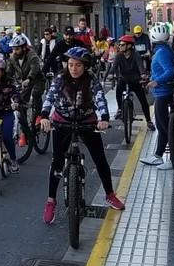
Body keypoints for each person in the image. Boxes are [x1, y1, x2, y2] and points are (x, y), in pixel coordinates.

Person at [38, 48, 125, 225]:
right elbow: (50, 96)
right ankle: (51, 201)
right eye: (70, 65)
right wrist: (45, 116)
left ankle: (109, 194)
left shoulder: (91, 79)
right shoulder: (61, 78)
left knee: (100, 159)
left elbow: (100, 98)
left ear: (85, 66)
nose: (74, 68)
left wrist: (104, 118)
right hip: (62, 121)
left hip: (87, 121)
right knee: (57, 161)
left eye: (78, 65)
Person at [140, 25, 174, 169]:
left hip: (163, 93)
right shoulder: (167, 50)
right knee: (161, 125)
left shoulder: (160, 53)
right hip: (167, 91)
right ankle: (158, 155)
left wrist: (156, 81)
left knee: (166, 127)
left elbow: (170, 71)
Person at [111, 35, 153, 129]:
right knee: (118, 90)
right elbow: (114, 67)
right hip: (123, 79)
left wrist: (143, 74)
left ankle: (149, 121)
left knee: (143, 101)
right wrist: (111, 74)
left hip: (135, 80)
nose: (120, 46)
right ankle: (120, 109)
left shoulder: (136, 55)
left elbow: (140, 66)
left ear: (129, 46)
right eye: (119, 45)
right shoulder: (119, 56)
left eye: (122, 45)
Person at [7, 34, 43, 141]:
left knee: (36, 94)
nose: (14, 51)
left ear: (24, 47)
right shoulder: (13, 58)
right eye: (13, 49)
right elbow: (9, 72)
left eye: (17, 49)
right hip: (24, 83)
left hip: (37, 80)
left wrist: (29, 78)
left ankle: (38, 116)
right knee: (21, 104)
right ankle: (25, 132)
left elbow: (35, 68)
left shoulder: (32, 55)